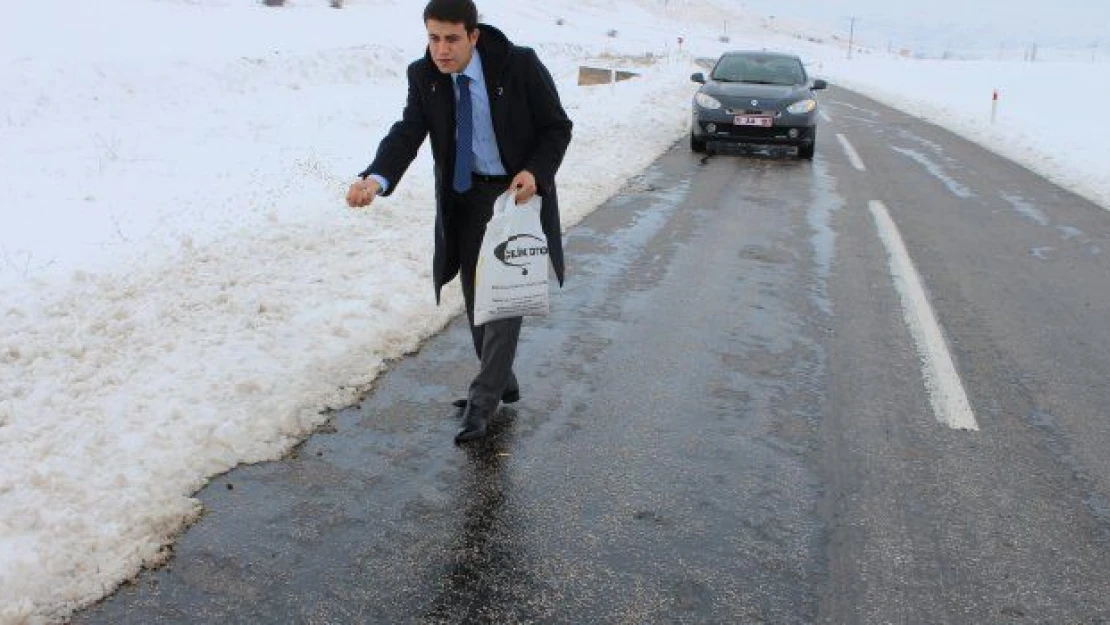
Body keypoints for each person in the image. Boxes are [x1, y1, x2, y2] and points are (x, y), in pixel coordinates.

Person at [346, 0, 572, 444]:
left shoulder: (519, 65)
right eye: (433, 38)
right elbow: (408, 132)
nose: (441, 50)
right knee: (476, 302)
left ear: (474, 35)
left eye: (451, 39)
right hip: (466, 199)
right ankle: (501, 380)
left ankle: (482, 400)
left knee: (504, 302)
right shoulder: (424, 75)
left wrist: (535, 172)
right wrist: (375, 178)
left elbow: (557, 127)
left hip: (515, 196)